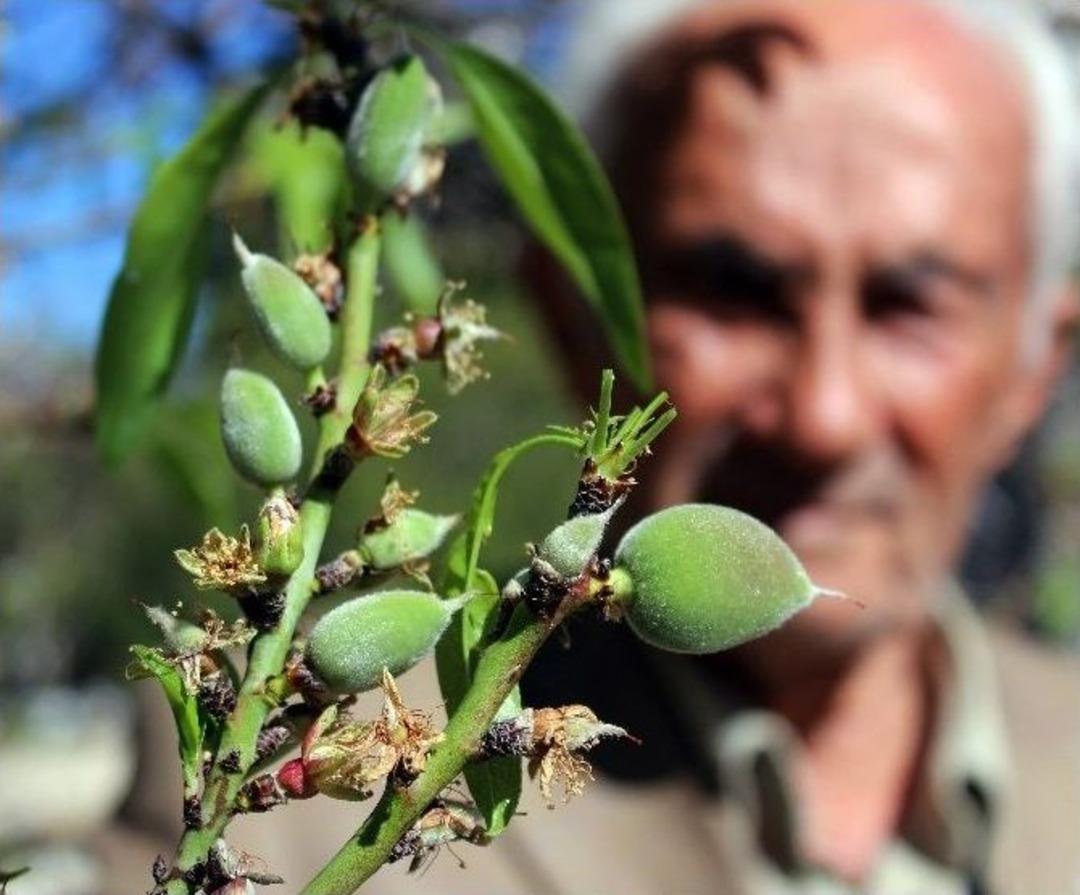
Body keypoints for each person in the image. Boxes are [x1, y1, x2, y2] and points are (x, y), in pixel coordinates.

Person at [104, 1, 1080, 892]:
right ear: (572, 319)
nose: (826, 414)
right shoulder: (287, 799)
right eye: (733, 291)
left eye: (911, 305)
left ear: (1040, 362)